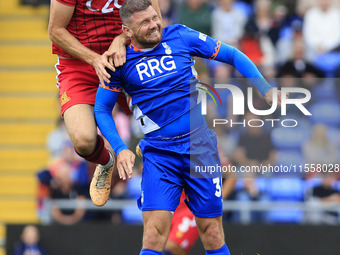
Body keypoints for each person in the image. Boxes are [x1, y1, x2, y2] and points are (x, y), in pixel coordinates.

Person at [94, 0, 281, 254]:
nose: (154, 25)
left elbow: (232, 54)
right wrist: (119, 148)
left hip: (199, 147)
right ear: (127, 31)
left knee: (212, 233)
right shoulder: (119, 60)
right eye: (144, 22)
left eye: (154, 18)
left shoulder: (180, 35)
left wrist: (265, 88)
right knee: (153, 235)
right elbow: (102, 109)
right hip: (160, 154)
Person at [48, 0, 161, 207]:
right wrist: (94, 59)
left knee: (166, 113)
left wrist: (121, 38)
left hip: (127, 54)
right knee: (83, 141)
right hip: (78, 64)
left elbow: (154, 20)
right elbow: (55, 30)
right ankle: (106, 162)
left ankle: (168, 171)